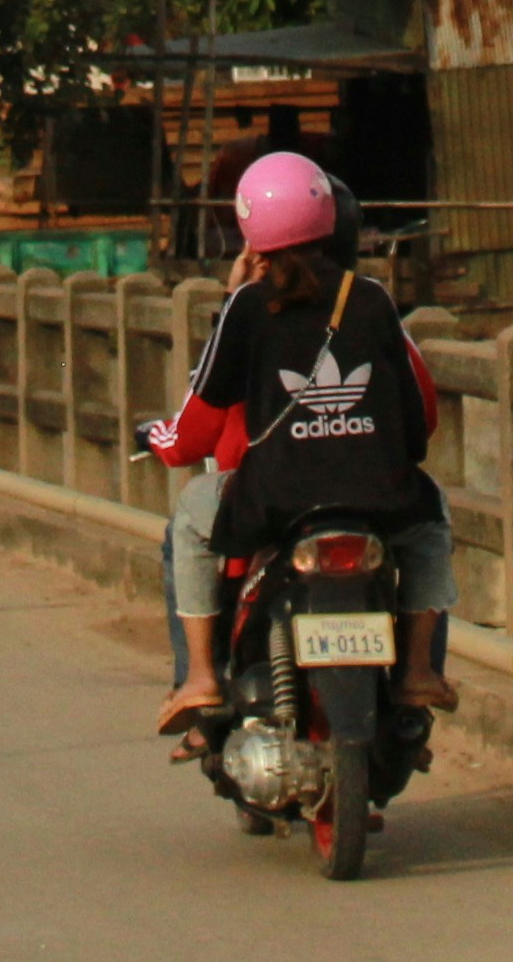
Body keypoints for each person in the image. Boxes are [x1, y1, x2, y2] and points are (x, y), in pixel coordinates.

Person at [145, 152, 457, 738]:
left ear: (249, 232)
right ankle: (417, 669)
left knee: (189, 519)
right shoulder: (371, 299)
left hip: (275, 502)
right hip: (377, 498)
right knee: (432, 517)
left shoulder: (244, 307)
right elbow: (418, 418)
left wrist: (159, 441)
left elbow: (193, 429)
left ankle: (200, 678)